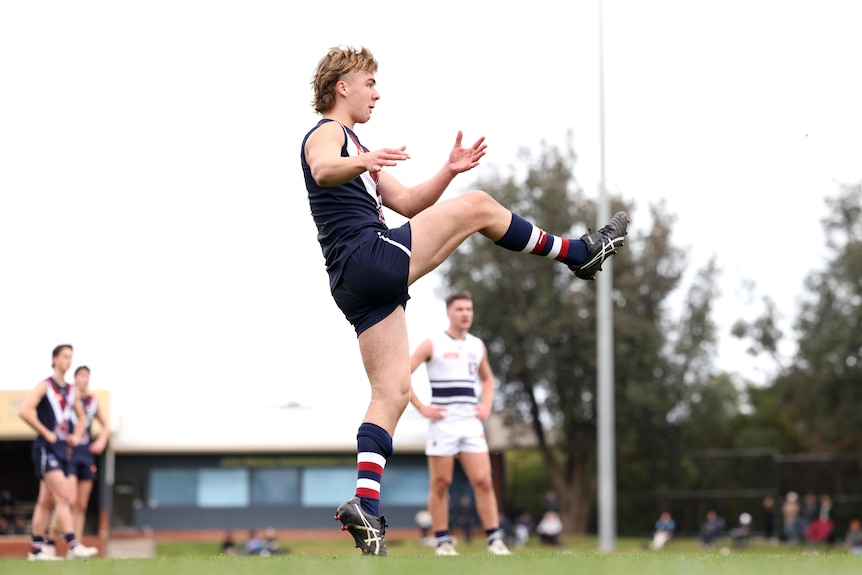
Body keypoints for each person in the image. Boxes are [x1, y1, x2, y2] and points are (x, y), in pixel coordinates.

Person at [303, 45, 629, 557]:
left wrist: (448, 171)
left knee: (390, 394)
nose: (377, 91)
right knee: (479, 208)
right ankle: (578, 253)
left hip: (353, 283)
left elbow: (409, 202)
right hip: (367, 256)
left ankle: (366, 505)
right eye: (369, 82)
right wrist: (363, 157)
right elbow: (323, 169)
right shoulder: (329, 133)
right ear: (342, 86)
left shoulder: (355, 146)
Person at [408, 291, 511, 556]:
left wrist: (486, 404)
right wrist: (421, 407)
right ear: (449, 313)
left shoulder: (477, 345)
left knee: (483, 481)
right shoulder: (432, 344)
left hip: (470, 423)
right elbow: (401, 375)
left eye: (469, 309)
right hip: (442, 424)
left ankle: (495, 540)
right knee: (441, 483)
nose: (465, 313)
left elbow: (487, 379)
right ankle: (443, 541)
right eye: (460, 309)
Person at [18, 344, 98, 560]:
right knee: (63, 495)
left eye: (70, 357)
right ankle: (73, 544)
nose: (68, 360)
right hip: (46, 448)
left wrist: (76, 436)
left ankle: (36, 550)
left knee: (46, 501)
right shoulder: (44, 385)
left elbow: (82, 417)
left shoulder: (71, 390)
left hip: (63, 449)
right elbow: (24, 411)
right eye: (64, 356)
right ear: (54, 359)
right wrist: (46, 433)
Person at [68, 365, 109, 539]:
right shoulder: (67, 397)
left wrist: (101, 440)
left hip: (86, 454)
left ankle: (75, 545)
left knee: (81, 504)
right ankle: (53, 538)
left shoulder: (93, 402)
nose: (85, 379)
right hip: (69, 453)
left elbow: (105, 425)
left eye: (87, 376)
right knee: (68, 500)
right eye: (82, 376)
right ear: (75, 378)